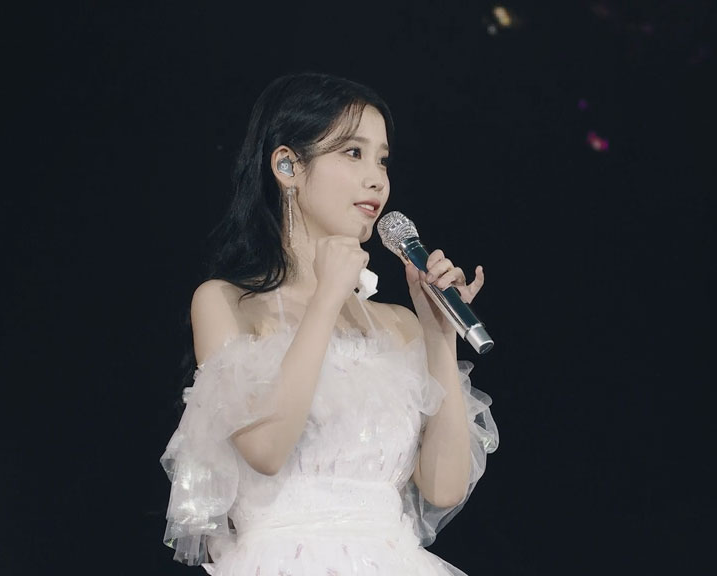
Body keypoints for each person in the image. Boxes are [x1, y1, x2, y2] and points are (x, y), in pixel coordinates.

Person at [160, 71, 499, 576]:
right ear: (287, 165)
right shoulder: (227, 303)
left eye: (382, 159)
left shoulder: (398, 324)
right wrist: (324, 299)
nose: (376, 179)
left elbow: (444, 486)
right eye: (353, 152)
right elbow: (266, 449)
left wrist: (438, 334)